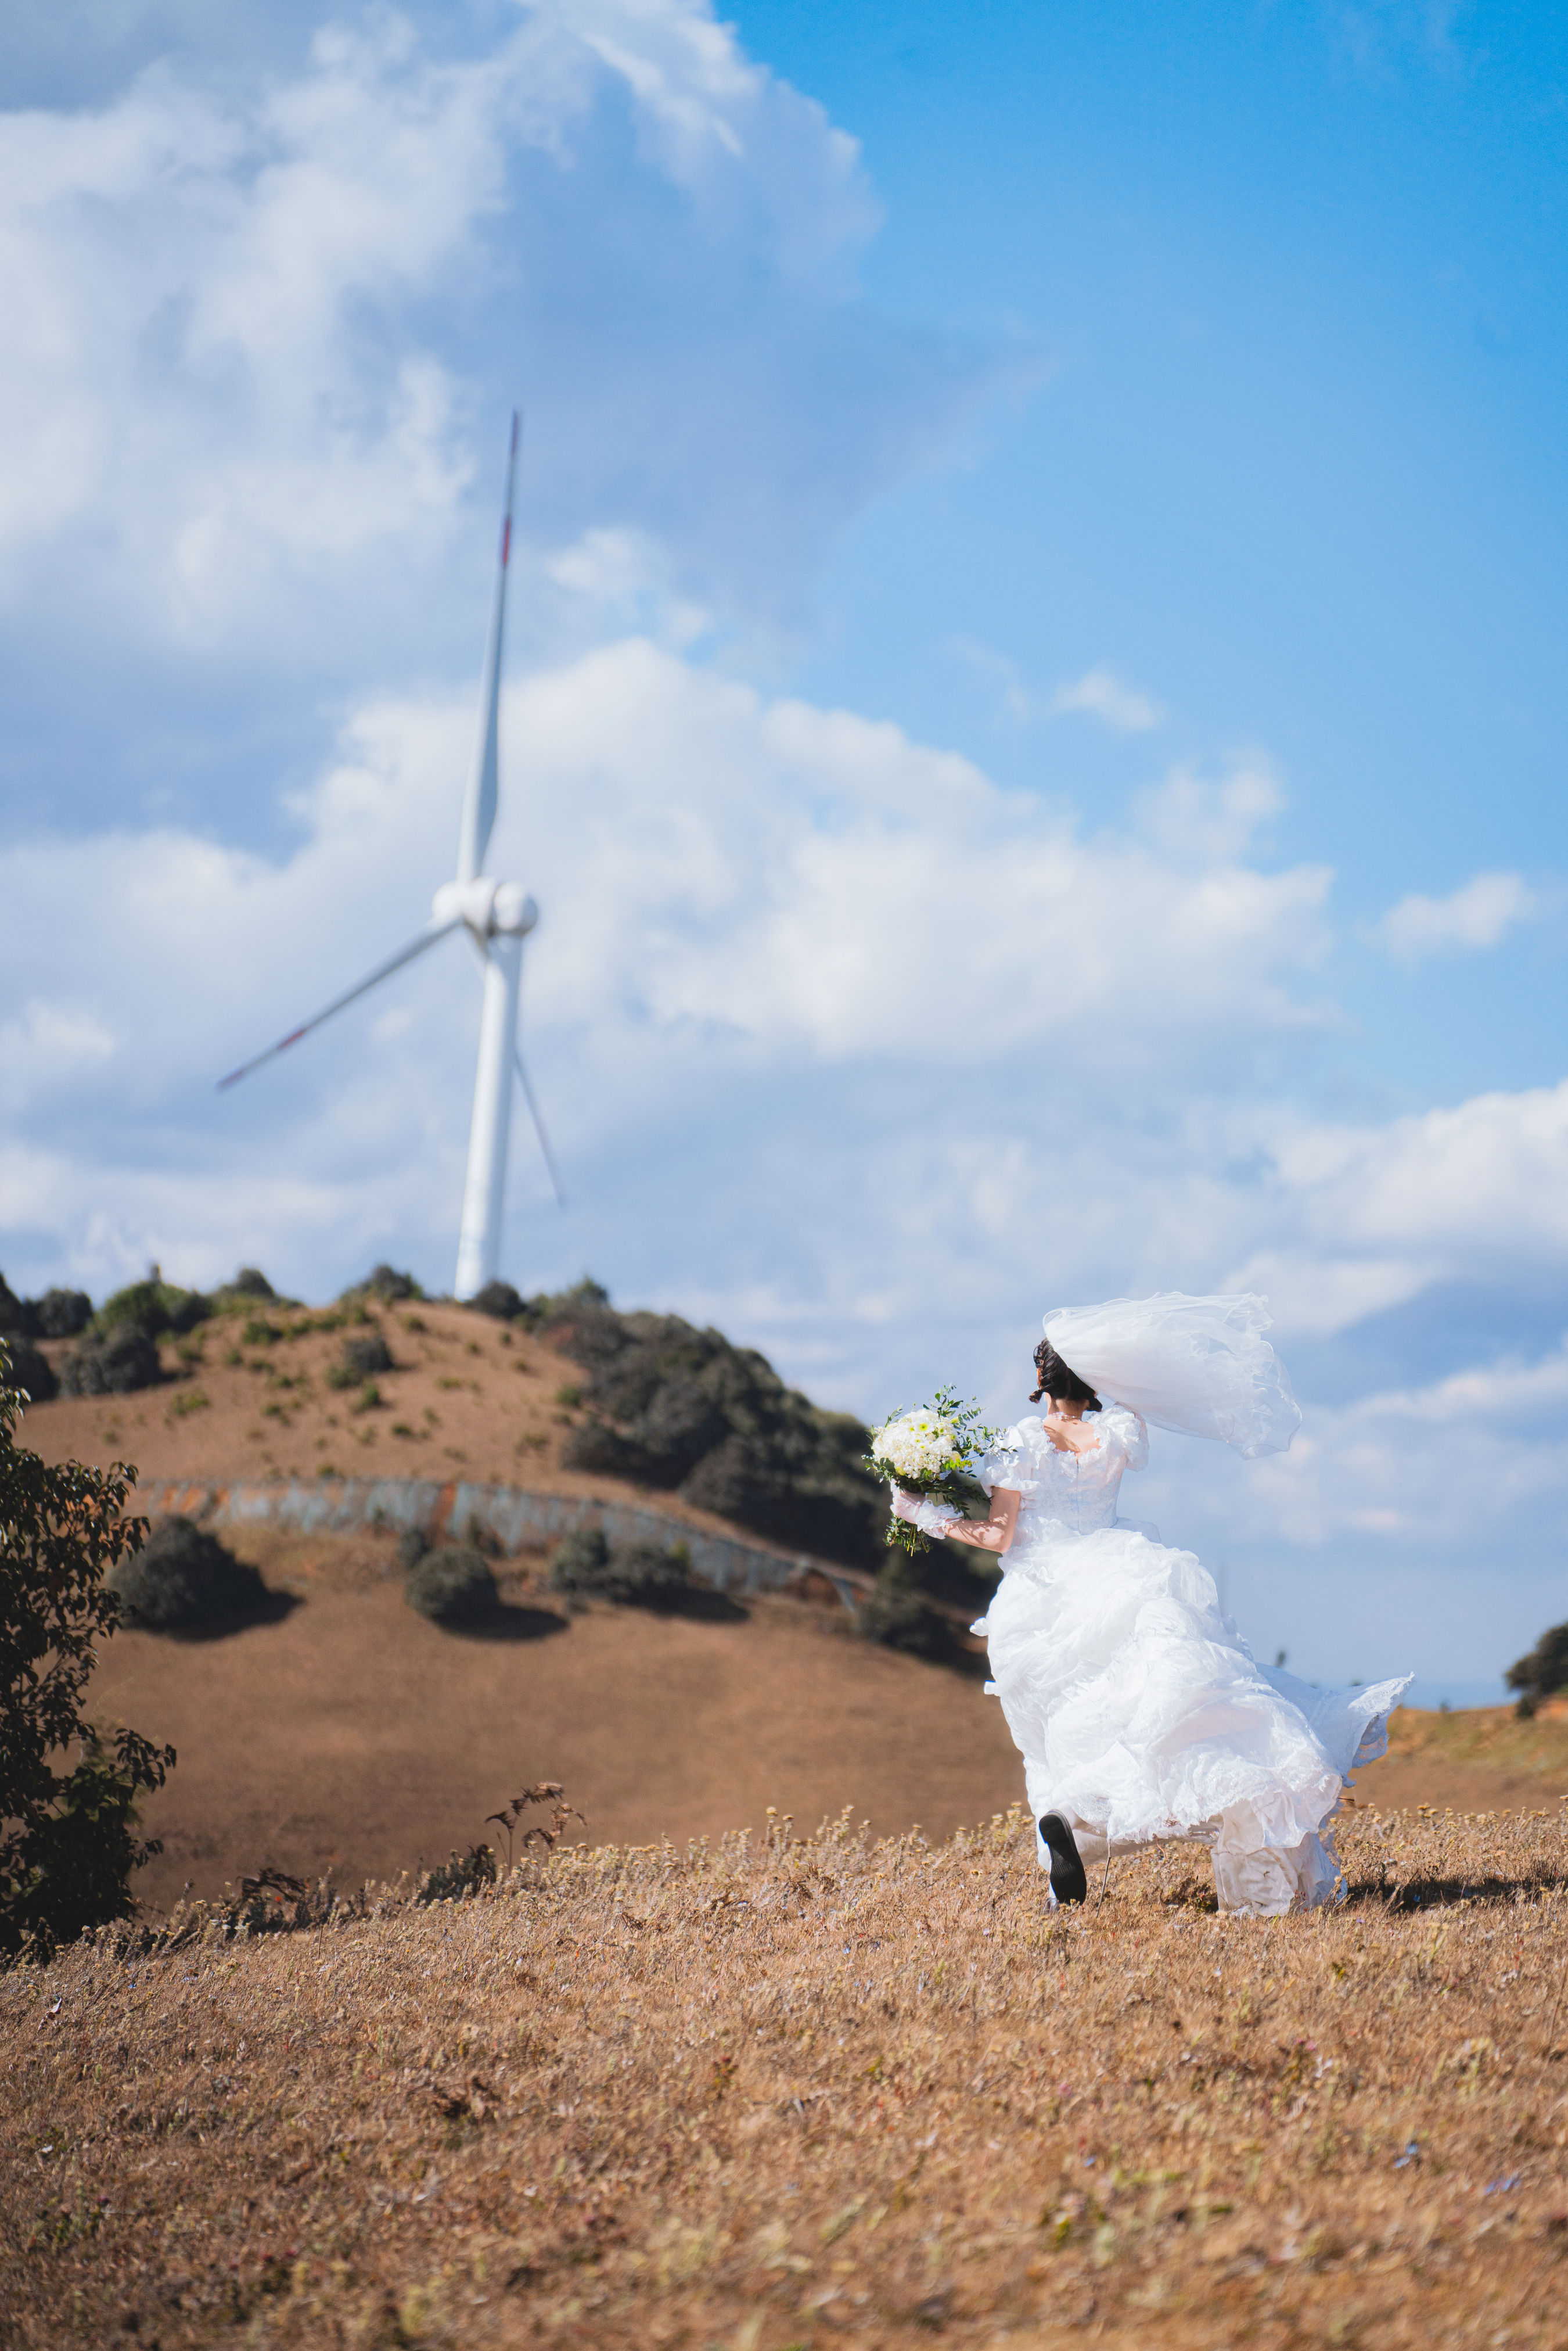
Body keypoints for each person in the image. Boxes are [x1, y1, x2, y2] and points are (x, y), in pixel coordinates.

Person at [891, 1293, 1409, 1917]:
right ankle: (1088, 1827)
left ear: (1039, 1379)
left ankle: (1064, 1846)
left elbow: (1000, 1535)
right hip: (1120, 1572)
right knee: (1148, 1720)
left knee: (1058, 1738)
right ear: (1098, 1379)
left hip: (1040, 1604)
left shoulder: (1022, 1441)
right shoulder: (1118, 1433)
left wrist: (927, 1513)